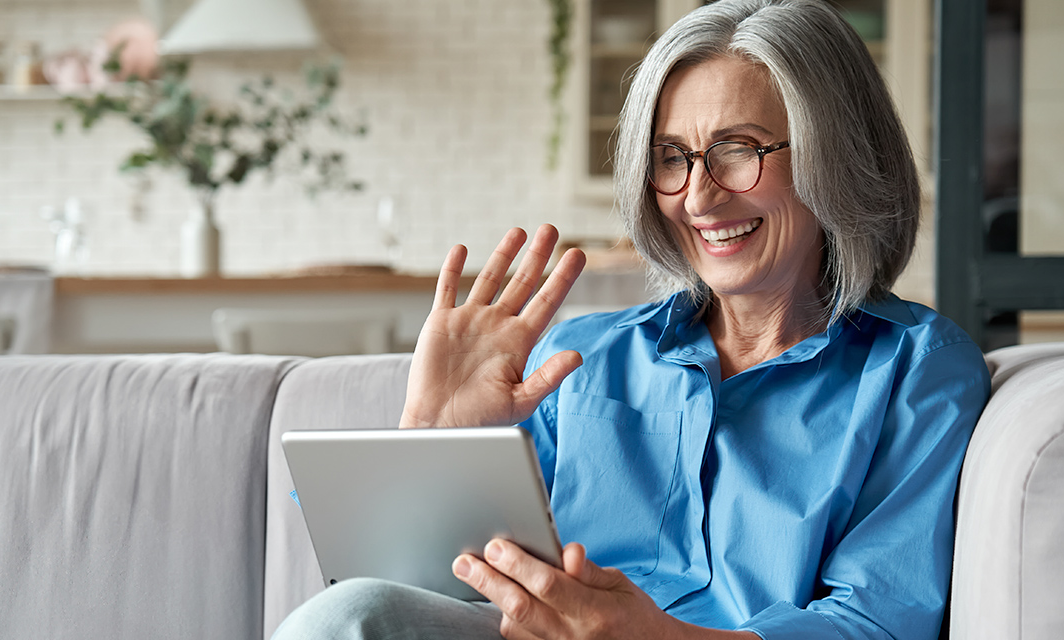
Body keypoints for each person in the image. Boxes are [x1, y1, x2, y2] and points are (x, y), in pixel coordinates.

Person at [273, 0, 991, 638]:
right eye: (671, 158)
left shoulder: (915, 369)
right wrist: (430, 432)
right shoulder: (581, 360)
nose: (699, 198)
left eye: (738, 151)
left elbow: (877, 622)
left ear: (836, 153)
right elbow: (429, 597)